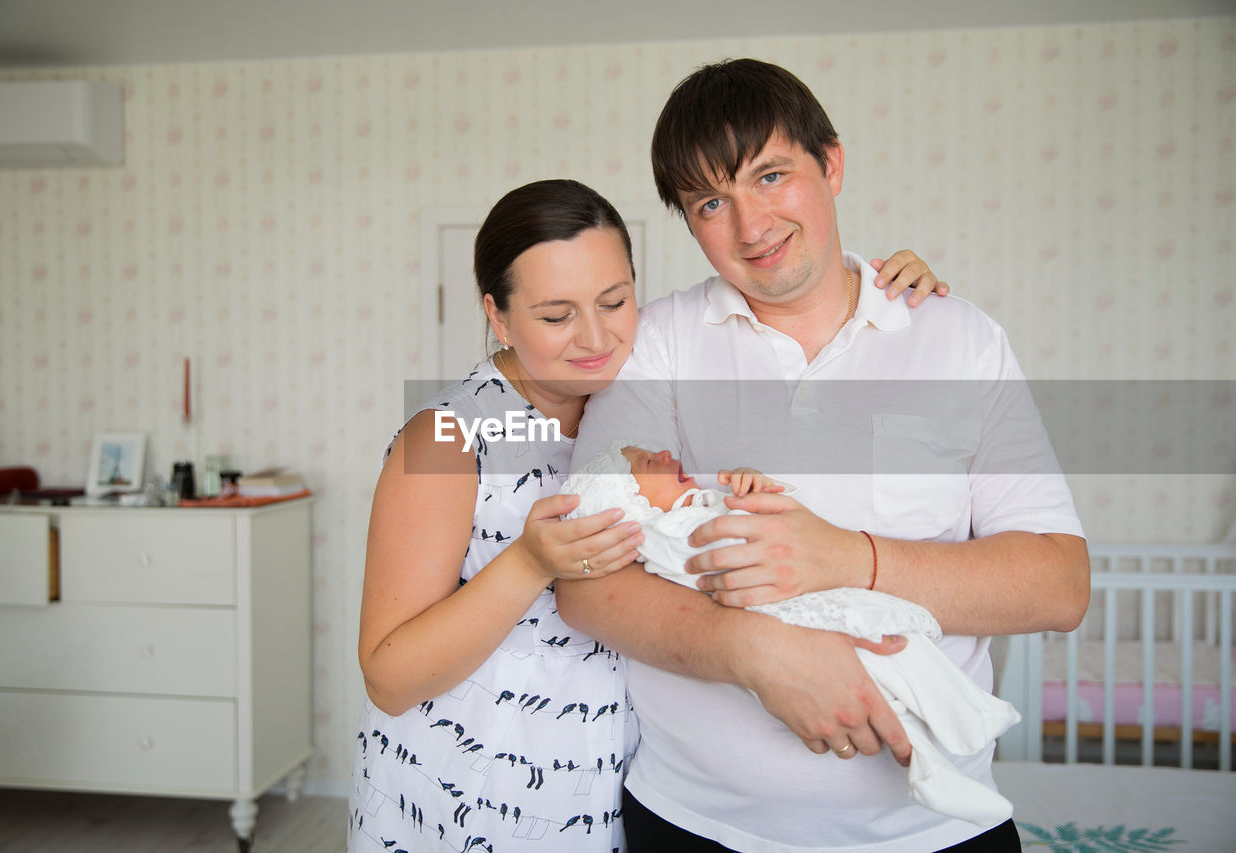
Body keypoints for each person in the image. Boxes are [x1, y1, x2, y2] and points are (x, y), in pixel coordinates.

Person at [556, 58, 1090, 853]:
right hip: (696, 825)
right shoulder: (657, 343)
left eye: (771, 176)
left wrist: (846, 557)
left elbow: (1058, 584)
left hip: (933, 830)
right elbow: (582, 582)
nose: (751, 225)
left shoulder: (958, 336)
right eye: (711, 201)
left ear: (830, 163)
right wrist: (757, 651)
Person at [349, 178, 948, 852]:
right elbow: (389, 677)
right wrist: (528, 562)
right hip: (469, 801)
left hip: (607, 797)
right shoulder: (450, 437)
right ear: (498, 316)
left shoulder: (647, 398)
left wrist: (882, 288)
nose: (597, 336)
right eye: (555, 316)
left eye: (615, 300)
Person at [562, 441, 1022, 829]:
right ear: (628, 504)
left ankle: (972, 716)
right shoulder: (658, 534)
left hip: (820, 595)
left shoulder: (698, 507)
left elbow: (774, 524)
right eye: (646, 463)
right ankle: (930, 769)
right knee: (884, 676)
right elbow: (710, 557)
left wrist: (751, 489)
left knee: (907, 651)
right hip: (799, 617)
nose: (664, 452)